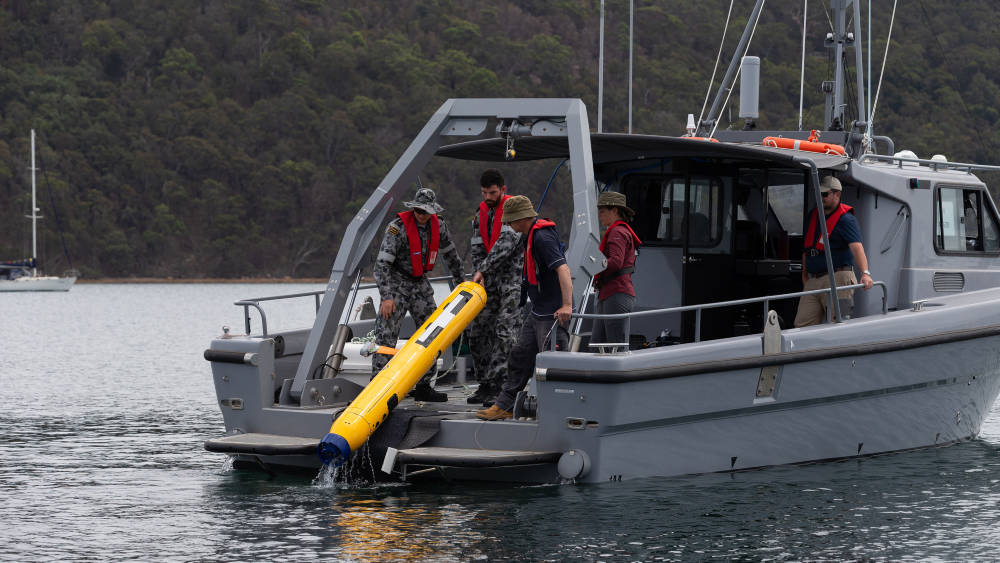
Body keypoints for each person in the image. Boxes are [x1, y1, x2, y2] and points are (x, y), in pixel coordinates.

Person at [477, 195, 572, 421]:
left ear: (521, 219)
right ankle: (505, 405)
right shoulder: (529, 236)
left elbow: (563, 271)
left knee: (552, 364)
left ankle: (558, 413)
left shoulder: (543, 239)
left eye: (510, 221)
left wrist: (567, 305)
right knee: (520, 356)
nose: (509, 225)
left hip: (552, 312)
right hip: (537, 309)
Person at [372, 187, 465, 402]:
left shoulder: (439, 226)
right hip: (396, 283)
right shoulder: (397, 228)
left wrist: (462, 283)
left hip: (420, 283)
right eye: (419, 211)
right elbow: (381, 265)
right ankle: (377, 387)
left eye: (426, 212)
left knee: (432, 333)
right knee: (386, 337)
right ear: (413, 209)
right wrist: (386, 297)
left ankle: (424, 385)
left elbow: (452, 256)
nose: (422, 216)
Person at [467, 169, 524, 405]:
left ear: (503, 189)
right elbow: (477, 246)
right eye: (484, 193)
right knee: (477, 331)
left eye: (492, 192)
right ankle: (485, 383)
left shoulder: (515, 211)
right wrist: (477, 274)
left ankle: (503, 386)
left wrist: (483, 270)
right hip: (488, 281)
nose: (488, 197)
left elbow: (506, 243)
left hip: (512, 281)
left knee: (504, 332)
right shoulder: (481, 212)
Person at [794, 175, 873, 327]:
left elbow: (857, 247)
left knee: (838, 323)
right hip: (813, 280)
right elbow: (808, 248)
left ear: (837, 194)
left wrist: (865, 273)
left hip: (839, 278)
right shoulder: (813, 215)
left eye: (824, 194)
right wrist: (805, 274)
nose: (820, 197)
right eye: (818, 193)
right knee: (802, 324)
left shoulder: (846, 220)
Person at [591, 191, 641, 348]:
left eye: (603, 211)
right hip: (612, 293)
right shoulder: (620, 231)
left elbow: (616, 262)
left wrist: (594, 265)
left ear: (615, 211)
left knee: (614, 346)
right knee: (598, 344)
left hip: (616, 294)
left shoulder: (617, 232)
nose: (599, 215)